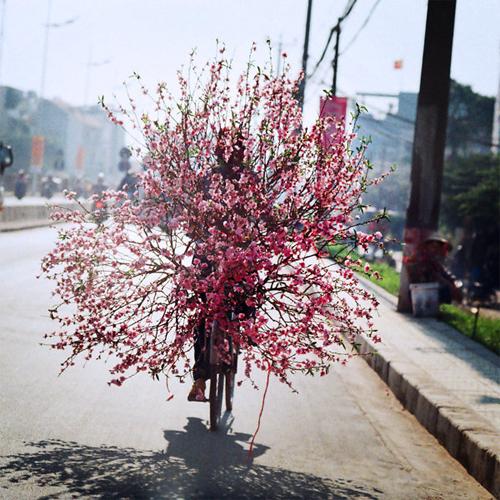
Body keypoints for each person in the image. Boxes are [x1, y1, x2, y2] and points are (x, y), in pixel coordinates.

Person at [188, 132, 255, 402]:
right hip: (235, 253)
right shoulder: (249, 178)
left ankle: (200, 379)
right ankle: (244, 332)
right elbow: (258, 215)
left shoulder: (208, 176)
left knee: (202, 317)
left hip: (208, 253)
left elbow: (193, 213)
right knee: (246, 296)